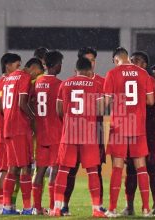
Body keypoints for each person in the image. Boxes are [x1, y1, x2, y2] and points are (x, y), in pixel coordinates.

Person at [51, 57, 106, 217]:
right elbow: (100, 110)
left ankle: (57, 208)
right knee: (92, 172)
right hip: (88, 134)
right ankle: (96, 209)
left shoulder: (65, 84)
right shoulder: (95, 85)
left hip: (69, 133)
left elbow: (59, 110)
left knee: (63, 170)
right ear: (90, 71)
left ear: (76, 70)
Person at [103, 47, 154, 217]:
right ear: (128, 58)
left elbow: (106, 102)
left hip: (119, 127)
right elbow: (150, 100)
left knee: (117, 168)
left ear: (115, 59)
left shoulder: (112, 74)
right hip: (137, 126)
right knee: (141, 167)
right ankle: (146, 208)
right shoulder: (143, 73)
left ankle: (111, 209)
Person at [1, 58, 44, 215]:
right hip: (20, 128)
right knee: (25, 167)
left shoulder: (8, 78)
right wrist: (34, 118)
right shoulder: (25, 77)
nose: (37, 77)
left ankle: (6, 207)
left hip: (7, 127)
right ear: (33, 68)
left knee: (12, 168)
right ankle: (27, 208)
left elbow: (1, 106)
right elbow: (22, 103)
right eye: (39, 72)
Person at [121, 51, 155, 216]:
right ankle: (129, 206)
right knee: (131, 169)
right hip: (131, 129)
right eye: (132, 60)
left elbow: (151, 102)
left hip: (148, 130)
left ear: (145, 65)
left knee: (152, 168)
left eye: (137, 61)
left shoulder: (151, 81)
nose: (133, 63)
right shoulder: (125, 80)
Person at [32, 50, 63, 214]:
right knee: (55, 171)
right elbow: (62, 110)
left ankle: (36, 208)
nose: (61, 67)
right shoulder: (59, 84)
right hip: (56, 133)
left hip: (41, 133)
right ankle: (53, 207)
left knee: (40, 170)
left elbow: (29, 103)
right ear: (57, 65)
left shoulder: (37, 82)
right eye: (60, 64)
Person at [0, 53, 21, 214]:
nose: (18, 69)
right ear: (8, 65)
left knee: (12, 170)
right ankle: (1, 205)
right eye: (17, 66)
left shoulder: (5, 82)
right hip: (6, 134)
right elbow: (4, 108)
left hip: (7, 132)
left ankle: (7, 205)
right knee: (6, 170)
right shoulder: (4, 83)